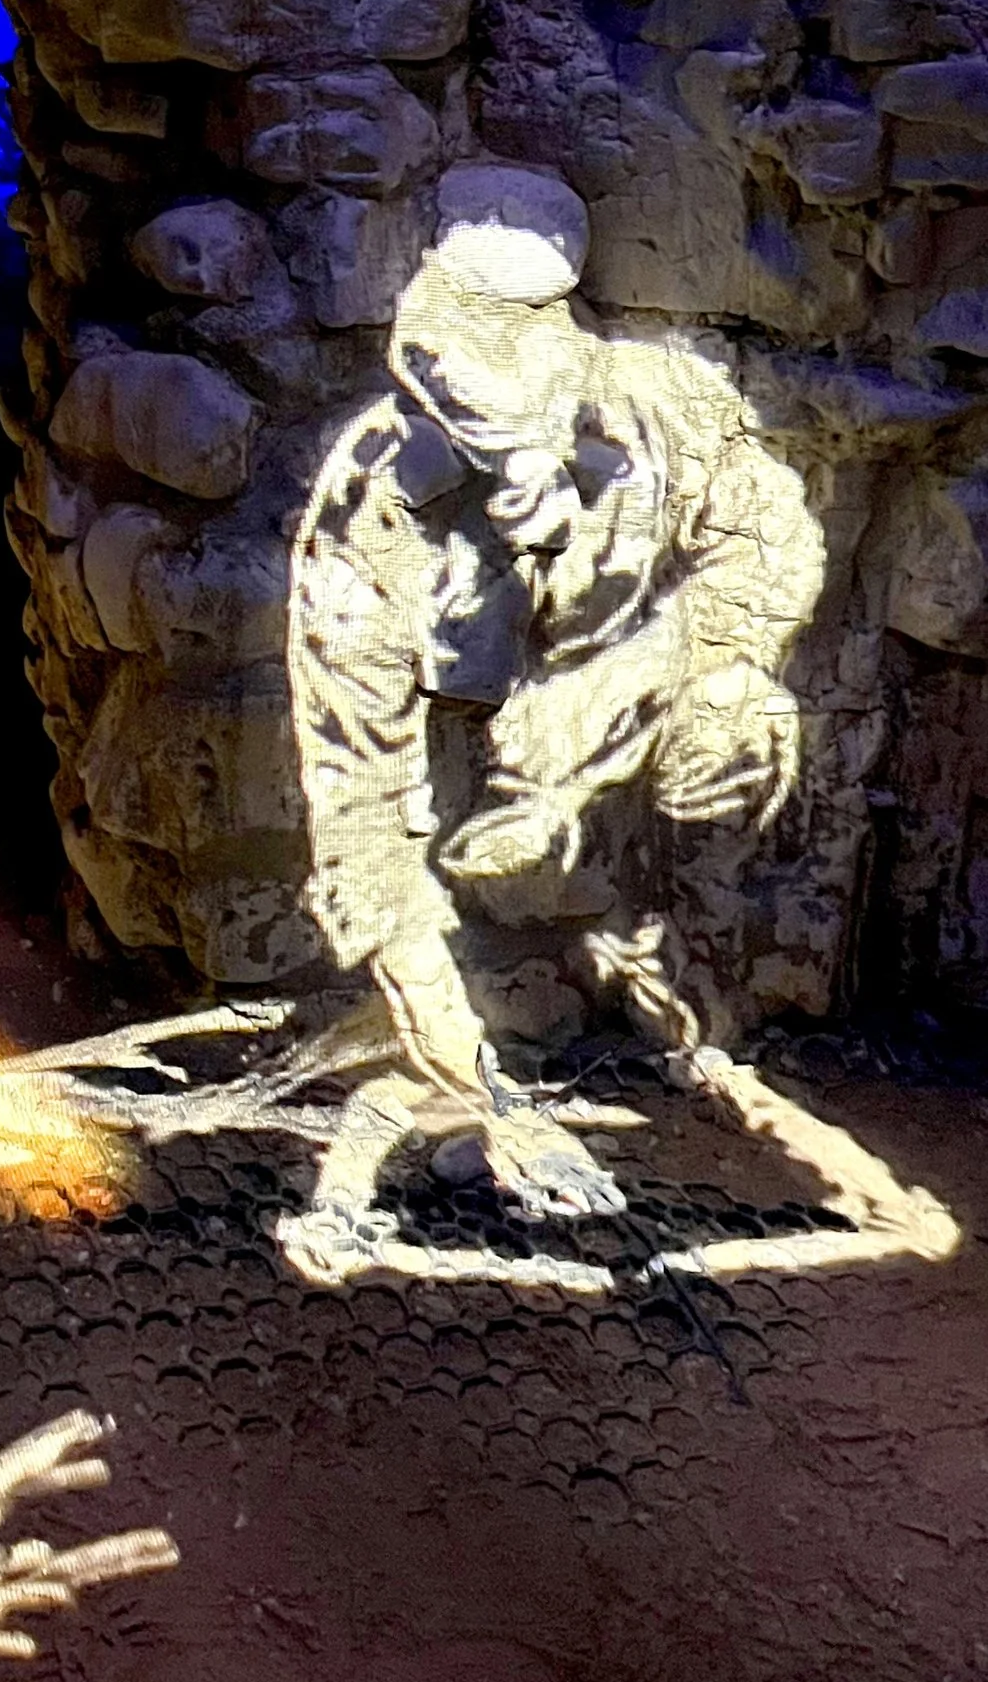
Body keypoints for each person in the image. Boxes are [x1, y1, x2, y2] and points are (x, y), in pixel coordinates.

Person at [285, 163, 825, 1240]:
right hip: (455, 803)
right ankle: (471, 1050)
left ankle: (696, 995)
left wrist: (609, 695)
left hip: (609, 771)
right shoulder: (369, 519)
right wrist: (485, 1102)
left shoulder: (663, 405)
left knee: (742, 724)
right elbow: (359, 833)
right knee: (454, 982)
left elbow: (775, 554)